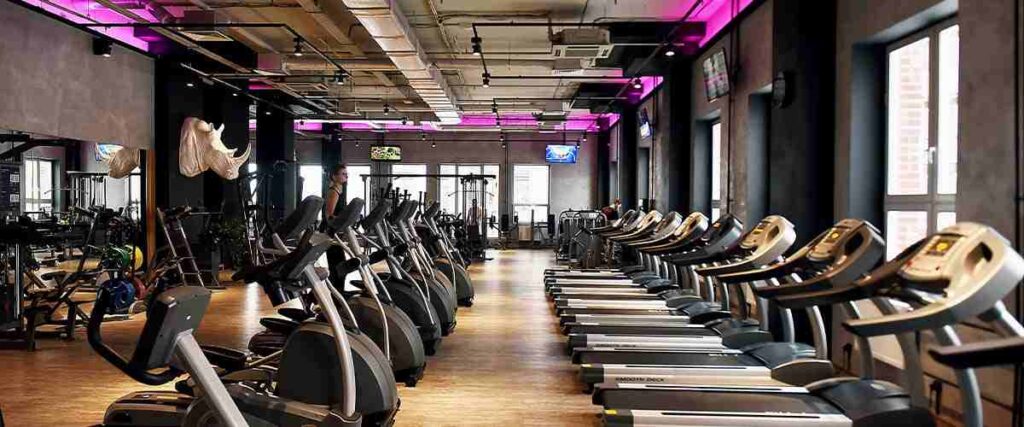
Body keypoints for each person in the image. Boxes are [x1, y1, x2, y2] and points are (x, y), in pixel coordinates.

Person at [324, 163, 348, 285]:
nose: (346, 176)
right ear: (334, 176)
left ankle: (339, 295)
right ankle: (336, 297)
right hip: (332, 234)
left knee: (340, 266)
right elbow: (329, 215)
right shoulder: (333, 192)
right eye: (343, 174)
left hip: (336, 233)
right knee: (337, 267)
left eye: (346, 174)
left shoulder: (338, 191)